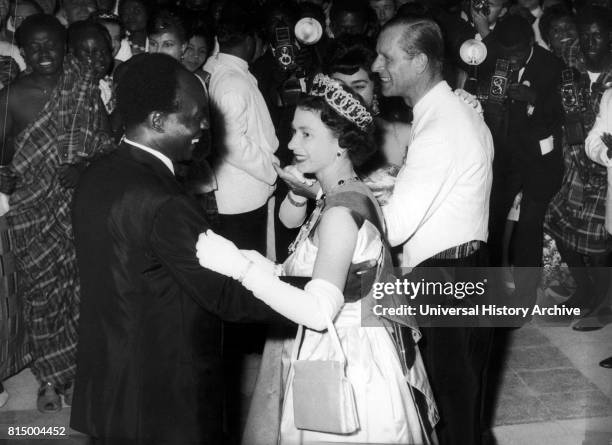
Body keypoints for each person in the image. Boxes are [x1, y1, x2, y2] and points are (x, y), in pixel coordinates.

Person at [197, 73, 437, 445]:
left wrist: (241, 269)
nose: (292, 142)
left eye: (306, 134)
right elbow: (305, 266)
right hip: (346, 343)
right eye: (294, 131)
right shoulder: (342, 192)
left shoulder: (340, 212)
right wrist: (256, 262)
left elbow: (318, 310)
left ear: (341, 142)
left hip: (348, 360)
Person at [69, 54, 286, 444]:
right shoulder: (165, 201)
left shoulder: (96, 173)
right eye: (195, 115)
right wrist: (322, 286)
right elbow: (227, 297)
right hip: (164, 394)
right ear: (157, 121)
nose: (206, 125)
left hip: (112, 379)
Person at [372, 15, 494, 445]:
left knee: (451, 406)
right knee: (462, 402)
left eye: (387, 57)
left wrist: (345, 192)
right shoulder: (453, 109)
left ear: (420, 61)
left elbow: (397, 226)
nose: (376, 65)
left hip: (444, 278)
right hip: (465, 271)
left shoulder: (441, 127)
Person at [0, 13, 113, 412]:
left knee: (81, 292)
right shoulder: (11, 96)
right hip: (33, 211)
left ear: (66, 48)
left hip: (80, 208)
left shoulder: (82, 86)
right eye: (35, 47)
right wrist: (4, 178)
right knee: (42, 295)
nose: (44, 53)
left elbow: (105, 141)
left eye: (52, 45)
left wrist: (82, 168)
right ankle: (48, 378)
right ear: (23, 51)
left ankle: (79, 367)